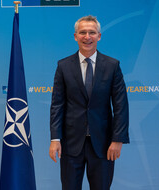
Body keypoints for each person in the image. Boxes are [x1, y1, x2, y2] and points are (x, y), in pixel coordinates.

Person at [49, 15, 129, 190]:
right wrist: (55, 138)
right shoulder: (63, 66)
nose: (87, 37)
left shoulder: (112, 65)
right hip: (71, 145)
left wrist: (117, 140)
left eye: (91, 32)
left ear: (99, 36)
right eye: (83, 32)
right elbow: (57, 105)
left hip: (103, 145)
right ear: (75, 36)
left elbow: (121, 106)